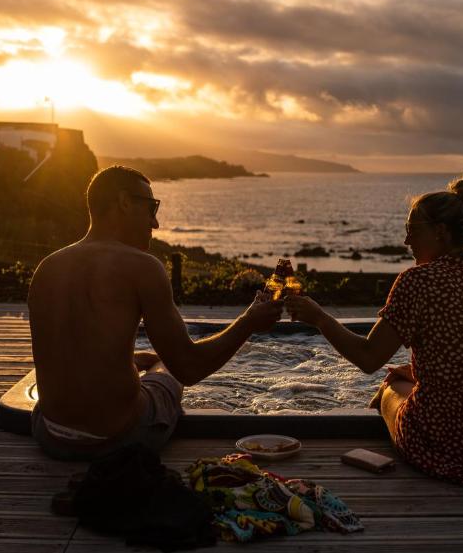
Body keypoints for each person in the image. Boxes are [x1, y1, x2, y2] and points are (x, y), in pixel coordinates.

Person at [285, 175, 463, 505]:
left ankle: (384, 432)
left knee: (390, 386)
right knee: (408, 377)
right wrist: (424, 370)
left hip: (446, 440)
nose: (406, 241)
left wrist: (319, 317)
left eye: (413, 230)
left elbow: (368, 358)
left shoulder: (417, 282)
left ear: (441, 233)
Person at [28, 166, 283, 461]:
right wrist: (249, 322)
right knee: (165, 370)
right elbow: (188, 367)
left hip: (50, 433)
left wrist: (129, 360)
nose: (156, 223)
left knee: (144, 361)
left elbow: (69, 346)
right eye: (151, 208)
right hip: (117, 440)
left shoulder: (47, 267)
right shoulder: (143, 267)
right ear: (124, 202)